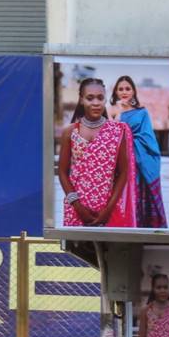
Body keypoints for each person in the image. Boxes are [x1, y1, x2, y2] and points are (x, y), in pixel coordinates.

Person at [58, 77, 137, 227]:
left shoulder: (118, 131)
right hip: (75, 210)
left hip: (108, 211)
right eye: (90, 98)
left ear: (105, 99)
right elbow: (63, 172)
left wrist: (108, 210)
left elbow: (124, 173)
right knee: (76, 251)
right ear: (81, 100)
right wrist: (78, 206)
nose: (95, 103)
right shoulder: (70, 132)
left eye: (100, 98)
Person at [110, 74, 168, 228]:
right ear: (115, 92)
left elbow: (148, 139)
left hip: (139, 163)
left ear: (133, 91)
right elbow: (109, 135)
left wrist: (129, 142)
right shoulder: (112, 111)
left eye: (127, 88)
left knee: (139, 197)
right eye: (120, 89)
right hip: (118, 162)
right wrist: (118, 113)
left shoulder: (142, 113)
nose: (124, 92)